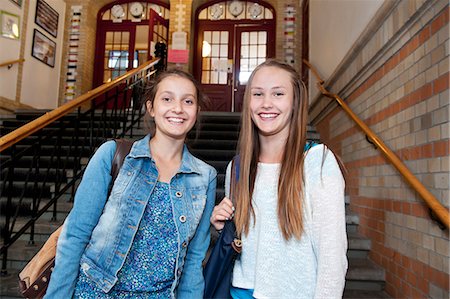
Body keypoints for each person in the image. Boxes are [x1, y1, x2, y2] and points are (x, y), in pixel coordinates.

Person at [45, 69, 217, 298]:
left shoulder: (204, 177)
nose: (177, 108)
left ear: (196, 111)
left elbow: (194, 260)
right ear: (151, 107)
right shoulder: (113, 156)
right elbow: (75, 235)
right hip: (96, 292)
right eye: (167, 99)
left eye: (187, 101)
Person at [210, 60, 347, 299]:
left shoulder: (318, 162)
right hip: (238, 292)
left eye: (278, 93)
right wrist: (222, 227)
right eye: (258, 94)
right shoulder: (237, 167)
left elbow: (332, 259)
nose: (266, 103)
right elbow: (245, 243)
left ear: (295, 102)